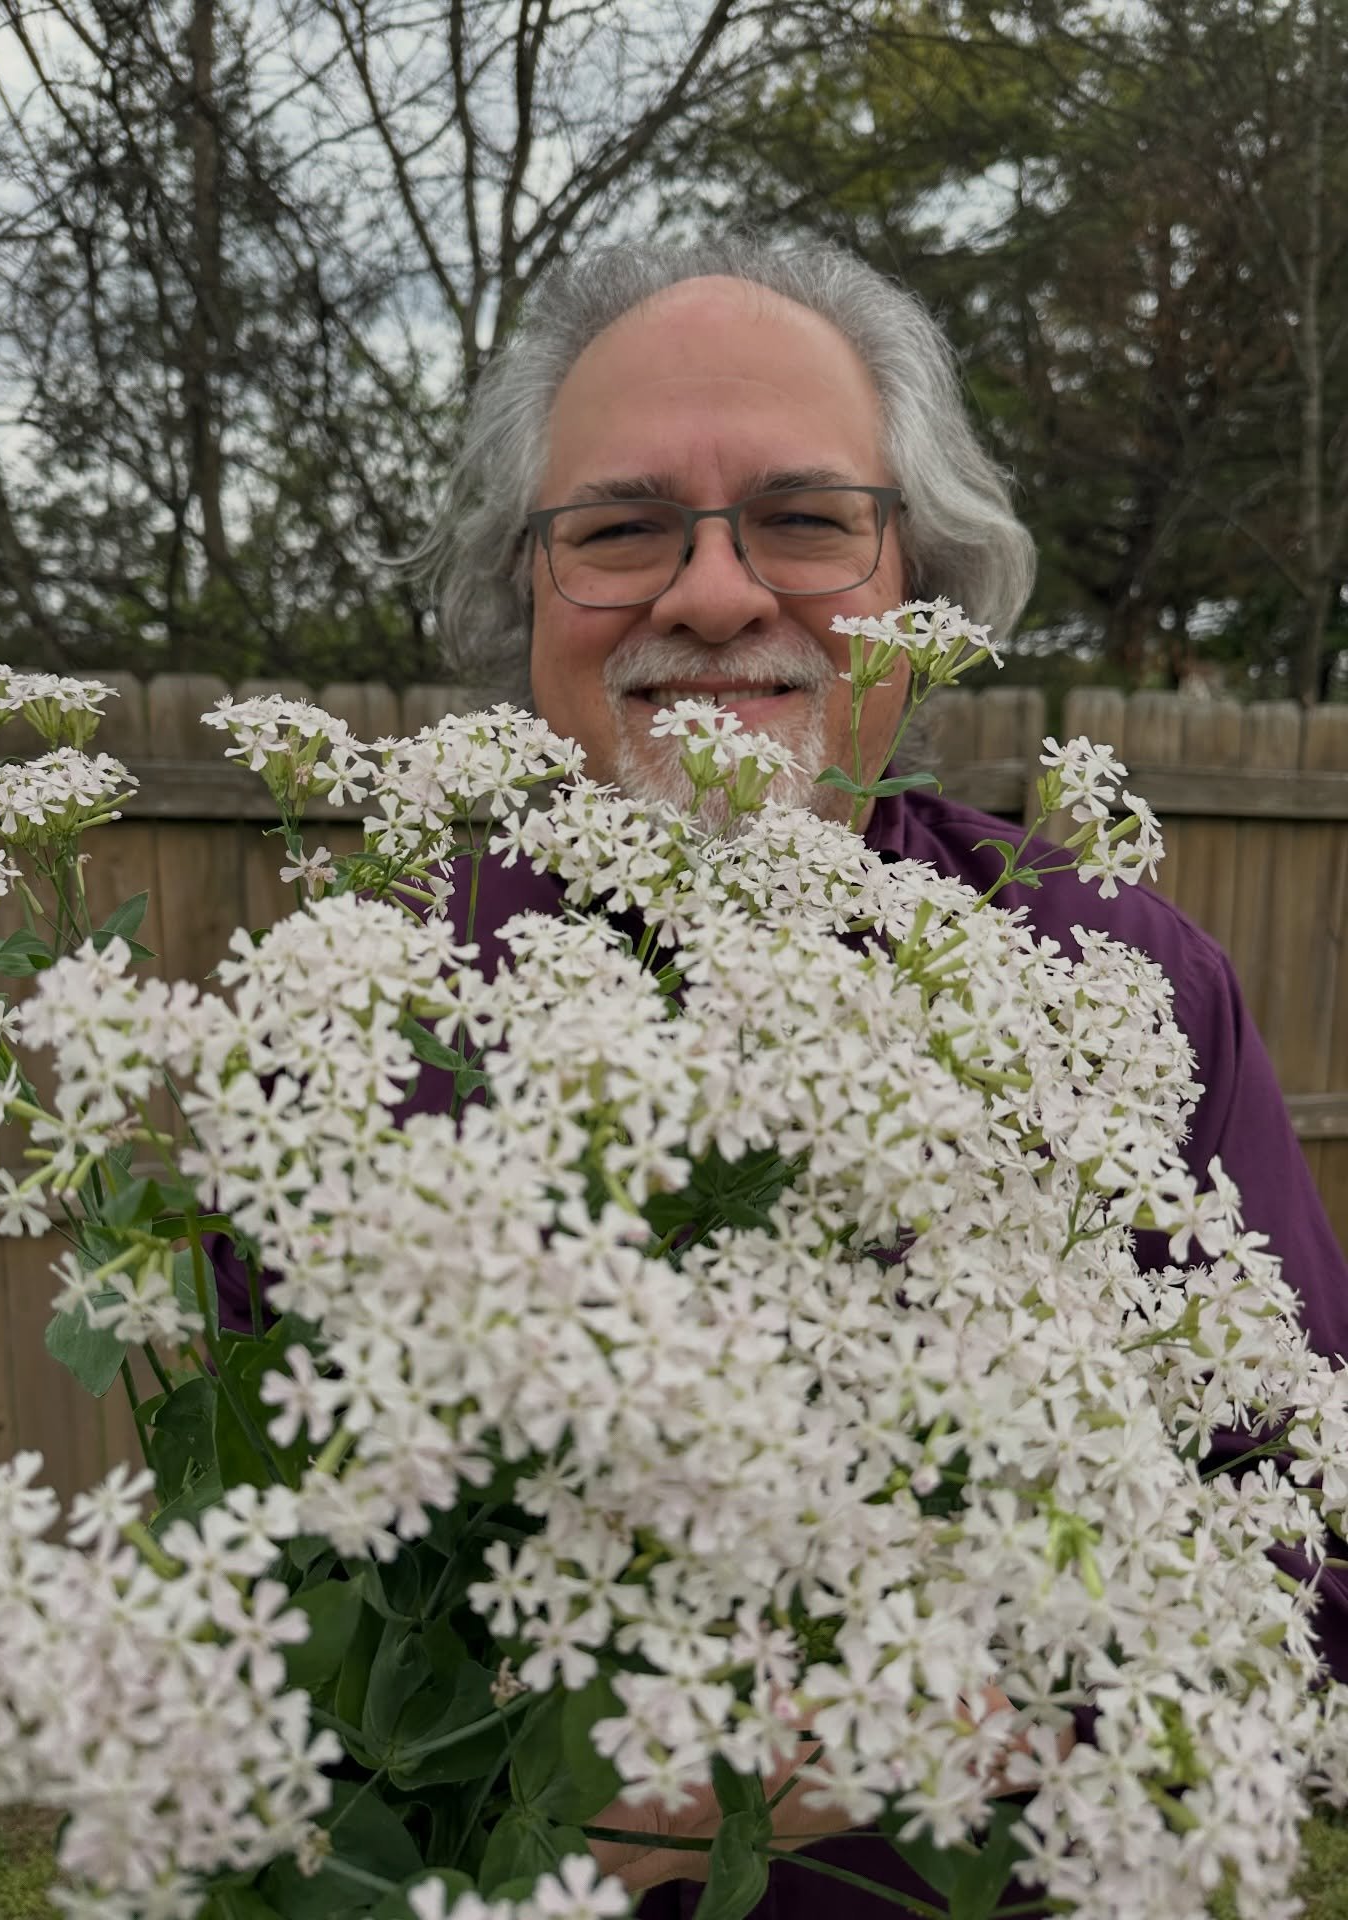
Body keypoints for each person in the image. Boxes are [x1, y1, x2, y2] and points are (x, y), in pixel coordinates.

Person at [212, 237, 1348, 1913]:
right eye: (619, 530)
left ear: (923, 585)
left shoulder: (1125, 978)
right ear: (524, 592)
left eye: (806, 519)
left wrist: (950, 1722)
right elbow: (282, 1603)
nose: (714, 594)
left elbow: (1313, 1547)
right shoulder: (354, 1015)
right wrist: (511, 1780)